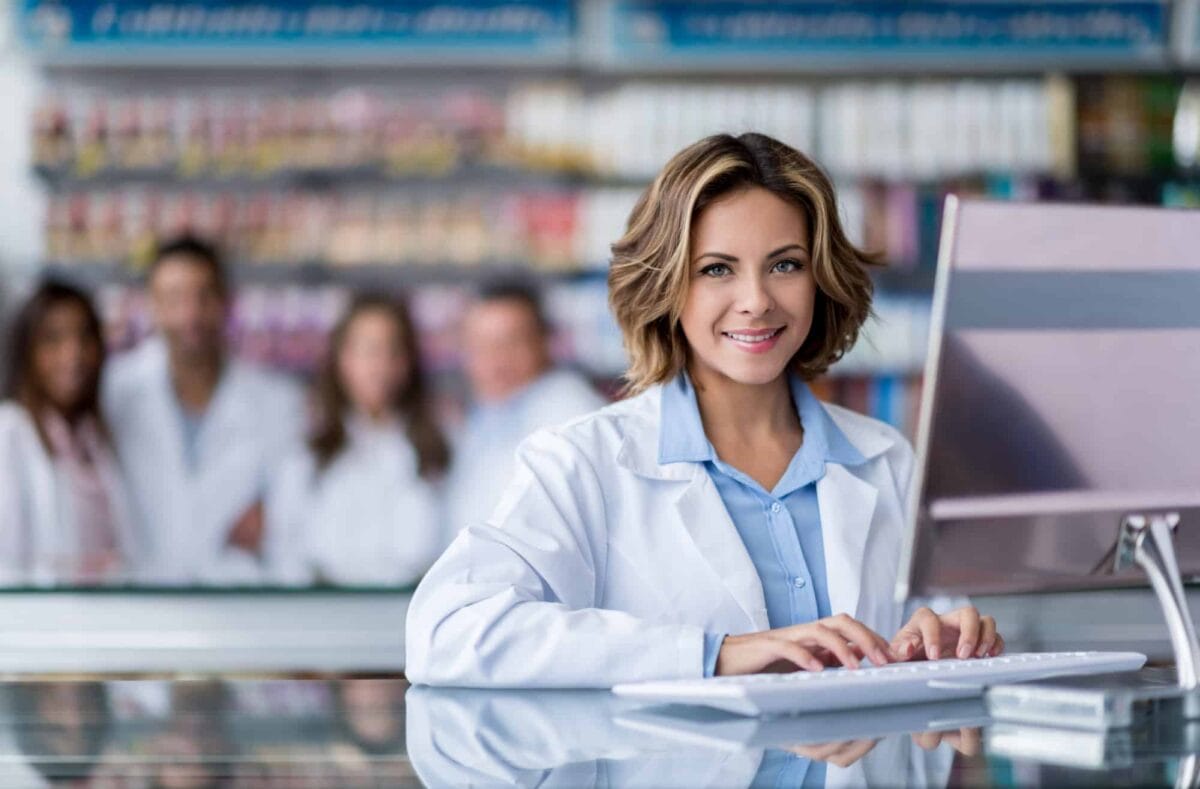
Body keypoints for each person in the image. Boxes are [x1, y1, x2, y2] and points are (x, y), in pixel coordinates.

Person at [406, 133, 1004, 687]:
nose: (756, 301)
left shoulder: (884, 459)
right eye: (717, 269)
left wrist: (947, 638)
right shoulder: (582, 462)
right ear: (666, 285)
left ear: (821, 279)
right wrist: (715, 654)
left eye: (785, 264)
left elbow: (928, 639)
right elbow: (448, 634)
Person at [103, 236, 304, 585]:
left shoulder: (279, 403)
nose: (190, 315)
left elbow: (294, 518)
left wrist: (270, 523)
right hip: (136, 605)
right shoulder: (114, 393)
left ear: (227, 302)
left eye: (204, 296)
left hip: (238, 604)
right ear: (151, 305)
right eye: (173, 298)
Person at [265, 295, 449, 586]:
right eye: (367, 351)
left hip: (412, 617)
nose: (380, 365)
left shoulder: (438, 450)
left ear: (409, 362)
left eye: (393, 351)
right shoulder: (307, 455)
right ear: (342, 359)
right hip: (328, 620)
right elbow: (286, 555)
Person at [443, 282, 606, 540]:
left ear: (544, 342)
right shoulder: (486, 412)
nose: (496, 360)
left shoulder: (569, 411)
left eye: (510, 343)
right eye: (481, 346)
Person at [0, 281, 136, 586]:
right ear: (26, 351)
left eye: (84, 337)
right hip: (44, 626)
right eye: (53, 339)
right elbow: (6, 564)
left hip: (104, 622)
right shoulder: (9, 433)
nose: (73, 355)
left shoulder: (94, 437)